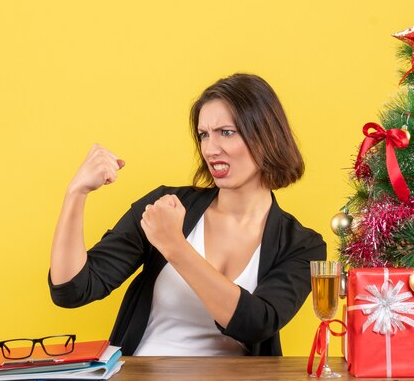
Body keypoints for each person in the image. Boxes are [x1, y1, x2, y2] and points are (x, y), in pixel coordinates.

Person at [48, 73, 327, 356]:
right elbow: (72, 290)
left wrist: (175, 246)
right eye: (204, 135)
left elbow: (255, 324)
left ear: (266, 136)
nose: (210, 149)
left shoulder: (302, 245)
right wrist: (76, 193)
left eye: (226, 132)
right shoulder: (164, 207)